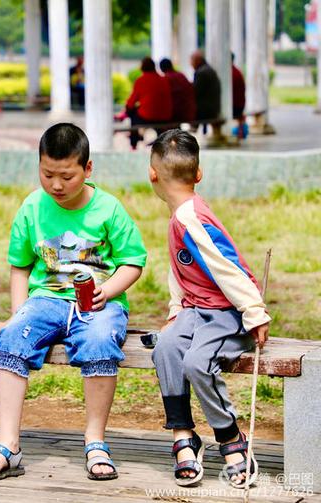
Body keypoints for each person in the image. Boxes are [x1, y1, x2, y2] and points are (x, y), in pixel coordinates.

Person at [0, 123, 147, 482]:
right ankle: (7, 446)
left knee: (99, 341)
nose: (56, 185)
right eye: (47, 174)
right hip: (45, 300)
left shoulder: (108, 208)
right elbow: (20, 266)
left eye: (66, 176)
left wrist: (109, 290)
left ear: (88, 169)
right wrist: (16, 315)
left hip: (98, 304)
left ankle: (95, 440)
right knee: (12, 338)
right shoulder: (32, 207)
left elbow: (133, 261)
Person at [148, 129, 270, 488]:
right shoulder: (180, 216)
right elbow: (181, 266)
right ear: (198, 174)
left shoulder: (191, 218)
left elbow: (225, 266)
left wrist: (253, 310)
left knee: (196, 363)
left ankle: (231, 438)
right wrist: (175, 310)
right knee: (167, 348)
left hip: (227, 313)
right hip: (196, 309)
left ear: (152, 174)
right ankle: (183, 432)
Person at [120, 57, 173, 150]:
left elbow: (131, 102)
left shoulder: (141, 80)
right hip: (165, 116)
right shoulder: (163, 79)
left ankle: (134, 142)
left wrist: (127, 110)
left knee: (132, 112)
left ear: (143, 68)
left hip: (148, 117)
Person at [190, 51, 221, 130]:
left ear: (198, 61)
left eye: (192, 61)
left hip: (205, 110)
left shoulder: (201, 72)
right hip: (213, 107)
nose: (191, 64)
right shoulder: (209, 69)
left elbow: (195, 92)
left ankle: (192, 130)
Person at [159, 58, 196, 124]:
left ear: (161, 68)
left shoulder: (165, 79)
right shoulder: (181, 75)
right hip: (188, 111)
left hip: (175, 113)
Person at [231, 54, 248, 139]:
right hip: (239, 104)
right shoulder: (236, 71)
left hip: (235, 105)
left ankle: (239, 134)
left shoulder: (231, 73)